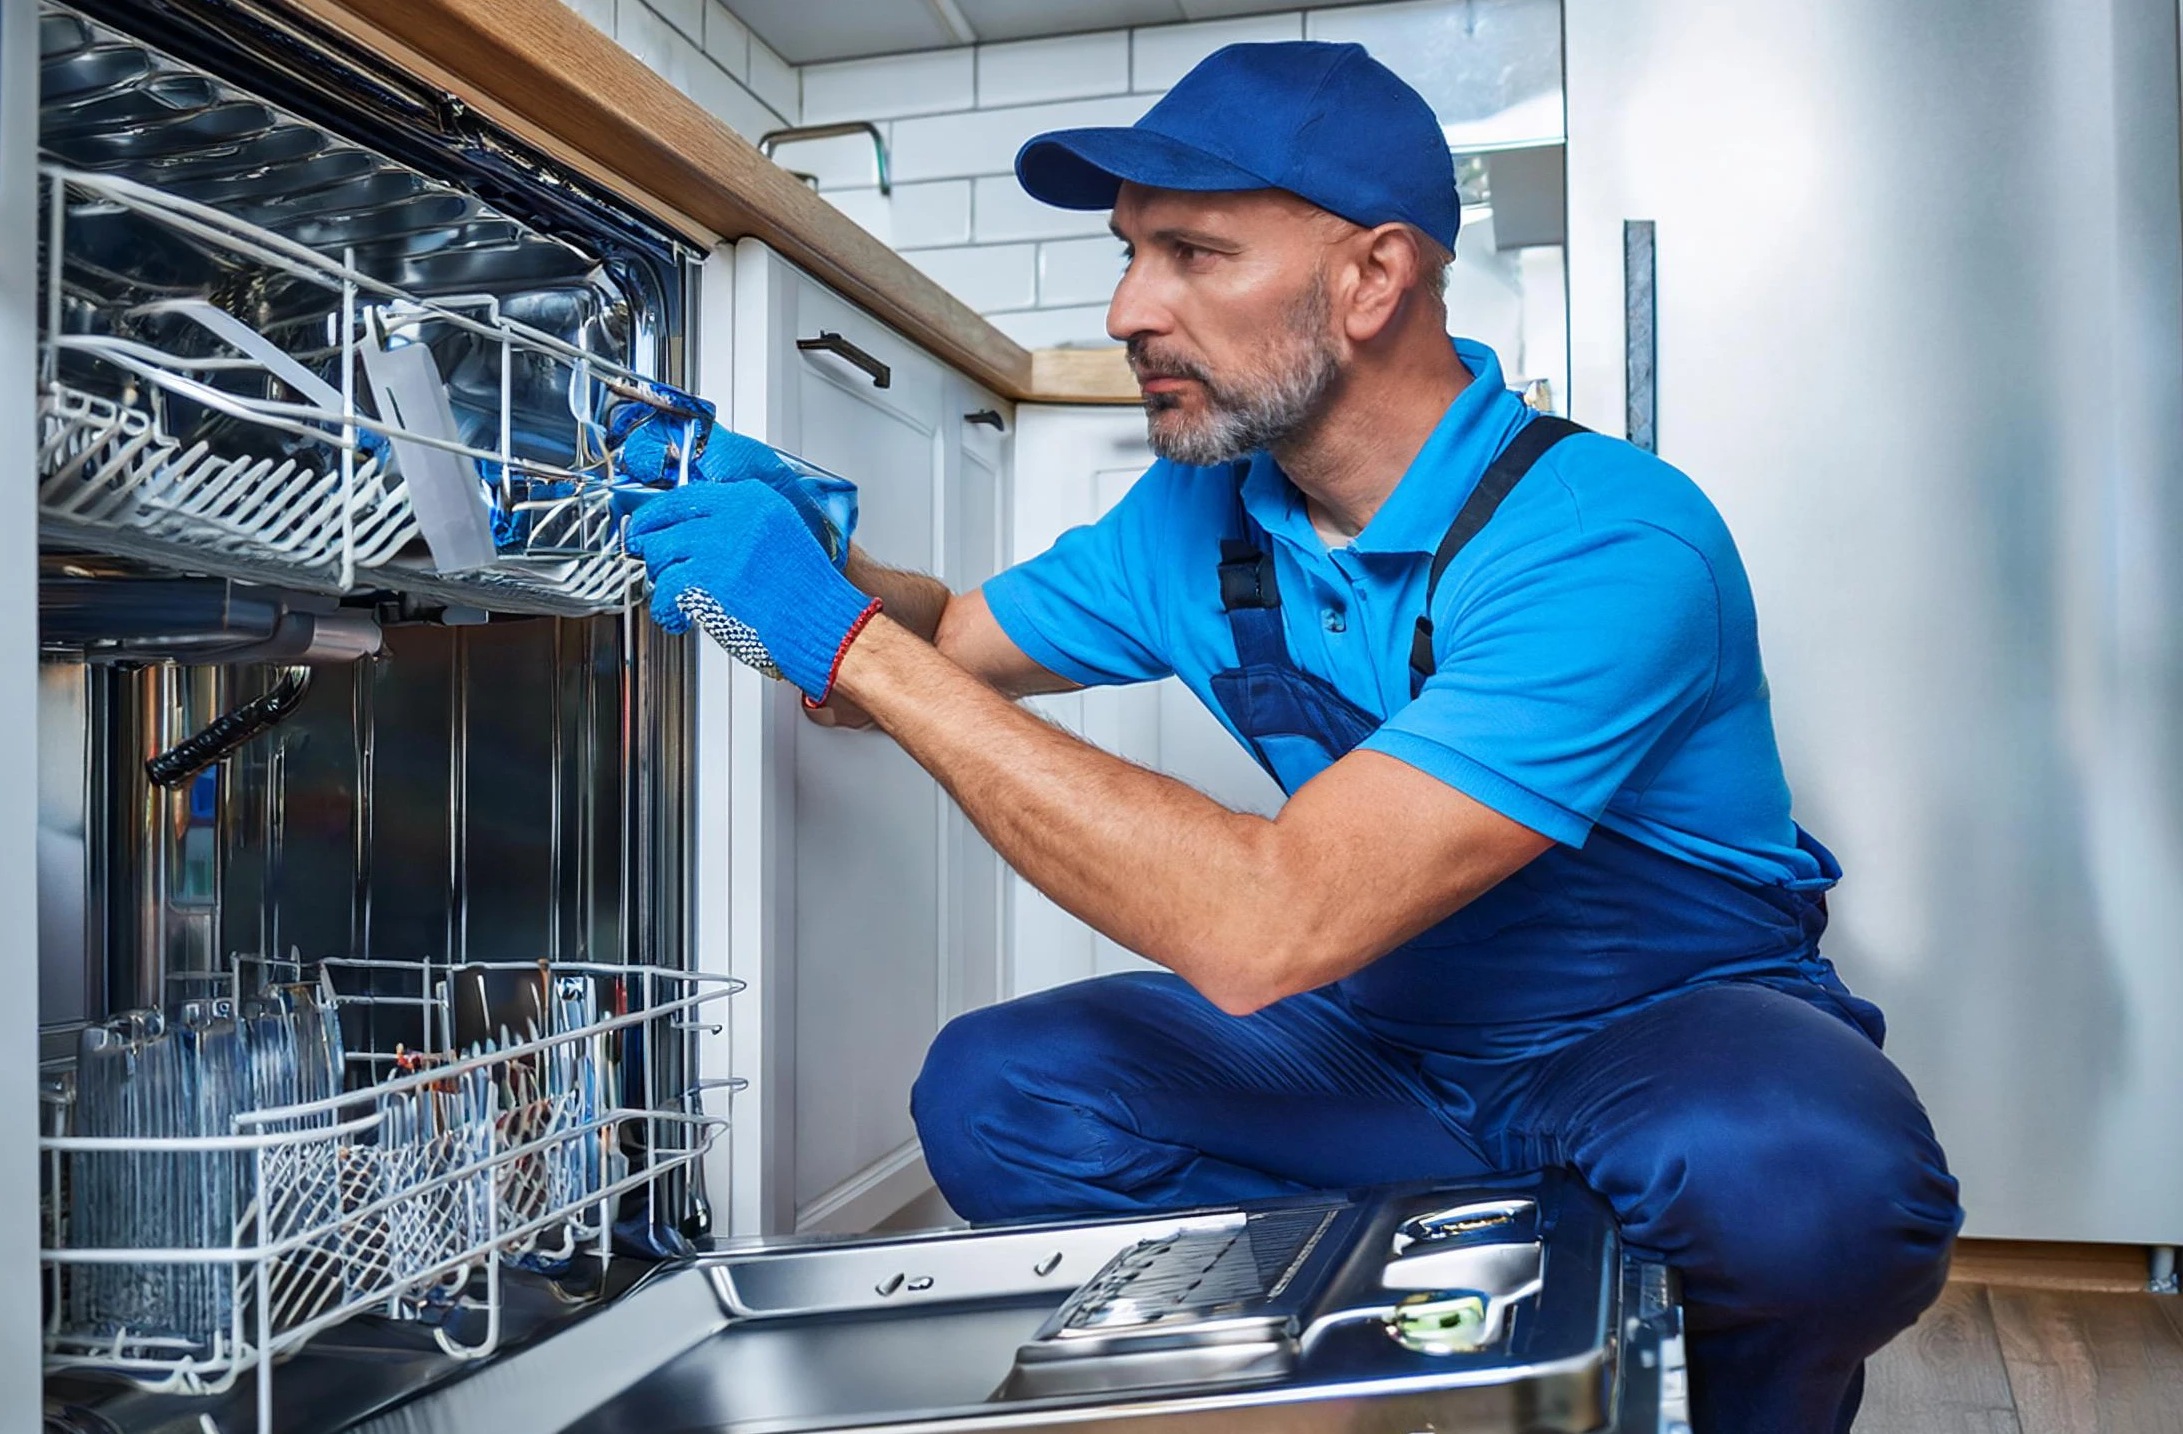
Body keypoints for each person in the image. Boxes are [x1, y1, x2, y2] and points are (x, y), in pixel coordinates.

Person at [623, 40, 1961, 1433]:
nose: (1130, 305)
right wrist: (807, 555)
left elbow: (1272, 921)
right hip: (1384, 1044)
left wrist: (848, 639)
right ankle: (1417, 1366)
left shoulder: (1606, 536)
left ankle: (1627, 1353)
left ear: (1371, 279)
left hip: (1652, 1036)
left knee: (1807, 1189)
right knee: (998, 1094)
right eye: (1132, 250)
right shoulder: (1197, 520)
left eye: (1194, 252)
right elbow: (942, 641)